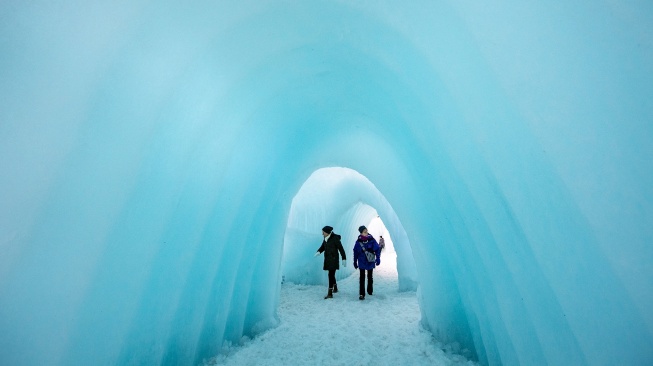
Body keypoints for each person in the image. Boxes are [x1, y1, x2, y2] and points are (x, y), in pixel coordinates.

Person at [314, 225, 346, 299]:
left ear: (327, 232)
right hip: (328, 259)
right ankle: (335, 287)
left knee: (330, 275)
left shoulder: (335, 239)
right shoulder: (325, 238)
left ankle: (330, 293)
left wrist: (344, 258)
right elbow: (323, 247)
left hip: (334, 259)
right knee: (331, 274)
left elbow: (341, 248)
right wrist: (318, 252)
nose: (322, 234)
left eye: (323, 232)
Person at [353, 225, 380, 300]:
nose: (366, 232)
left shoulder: (372, 240)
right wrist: (355, 261)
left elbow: (377, 248)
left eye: (366, 231)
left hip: (370, 260)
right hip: (361, 261)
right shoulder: (358, 242)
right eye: (364, 232)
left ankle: (370, 290)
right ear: (361, 233)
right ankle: (362, 294)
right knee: (362, 277)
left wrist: (378, 258)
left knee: (370, 276)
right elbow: (355, 252)